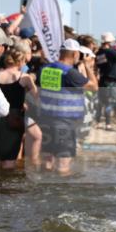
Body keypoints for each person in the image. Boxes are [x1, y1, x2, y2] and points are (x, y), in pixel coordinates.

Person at [38, 38, 98, 174]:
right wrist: (88, 67)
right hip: (64, 123)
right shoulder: (70, 73)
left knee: (47, 162)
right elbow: (94, 87)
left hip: (46, 120)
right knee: (63, 166)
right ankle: (61, 193)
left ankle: (44, 191)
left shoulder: (45, 69)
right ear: (75, 54)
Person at [0, 45, 38, 169]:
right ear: (20, 61)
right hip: (13, 120)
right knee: (9, 160)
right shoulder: (24, 77)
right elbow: (37, 99)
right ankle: (7, 187)